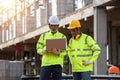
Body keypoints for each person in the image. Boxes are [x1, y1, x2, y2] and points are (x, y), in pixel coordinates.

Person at [36, 15, 67, 80]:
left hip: (57, 64)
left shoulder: (62, 37)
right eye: (51, 25)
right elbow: (38, 48)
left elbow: (65, 51)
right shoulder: (43, 36)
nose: (53, 27)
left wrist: (58, 53)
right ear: (49, 25)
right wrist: (42, 51)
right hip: (46, 64)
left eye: (55, 25)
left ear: (58, 25)